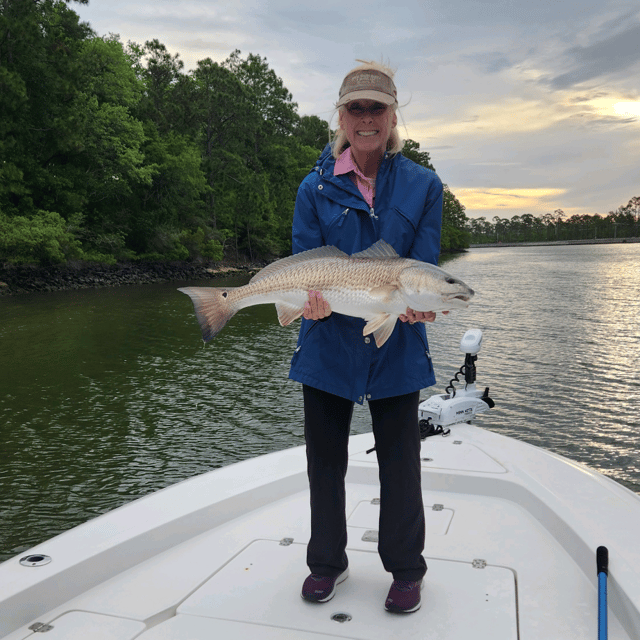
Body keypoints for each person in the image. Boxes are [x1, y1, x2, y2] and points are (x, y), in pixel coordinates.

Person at [289, 60, 445, 614]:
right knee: (324, 461)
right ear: (342, 115)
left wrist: (422, 305)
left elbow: (422, 265)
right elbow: (306, 256)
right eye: (356, 107)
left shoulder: (425, 185)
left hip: (396, 342)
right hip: (328, 340)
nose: (367, 118)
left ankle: (406, 569)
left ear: (393, 113)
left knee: (401, 461)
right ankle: (326, 563)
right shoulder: (314, 187)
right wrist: (307, 303)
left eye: (377, 107)